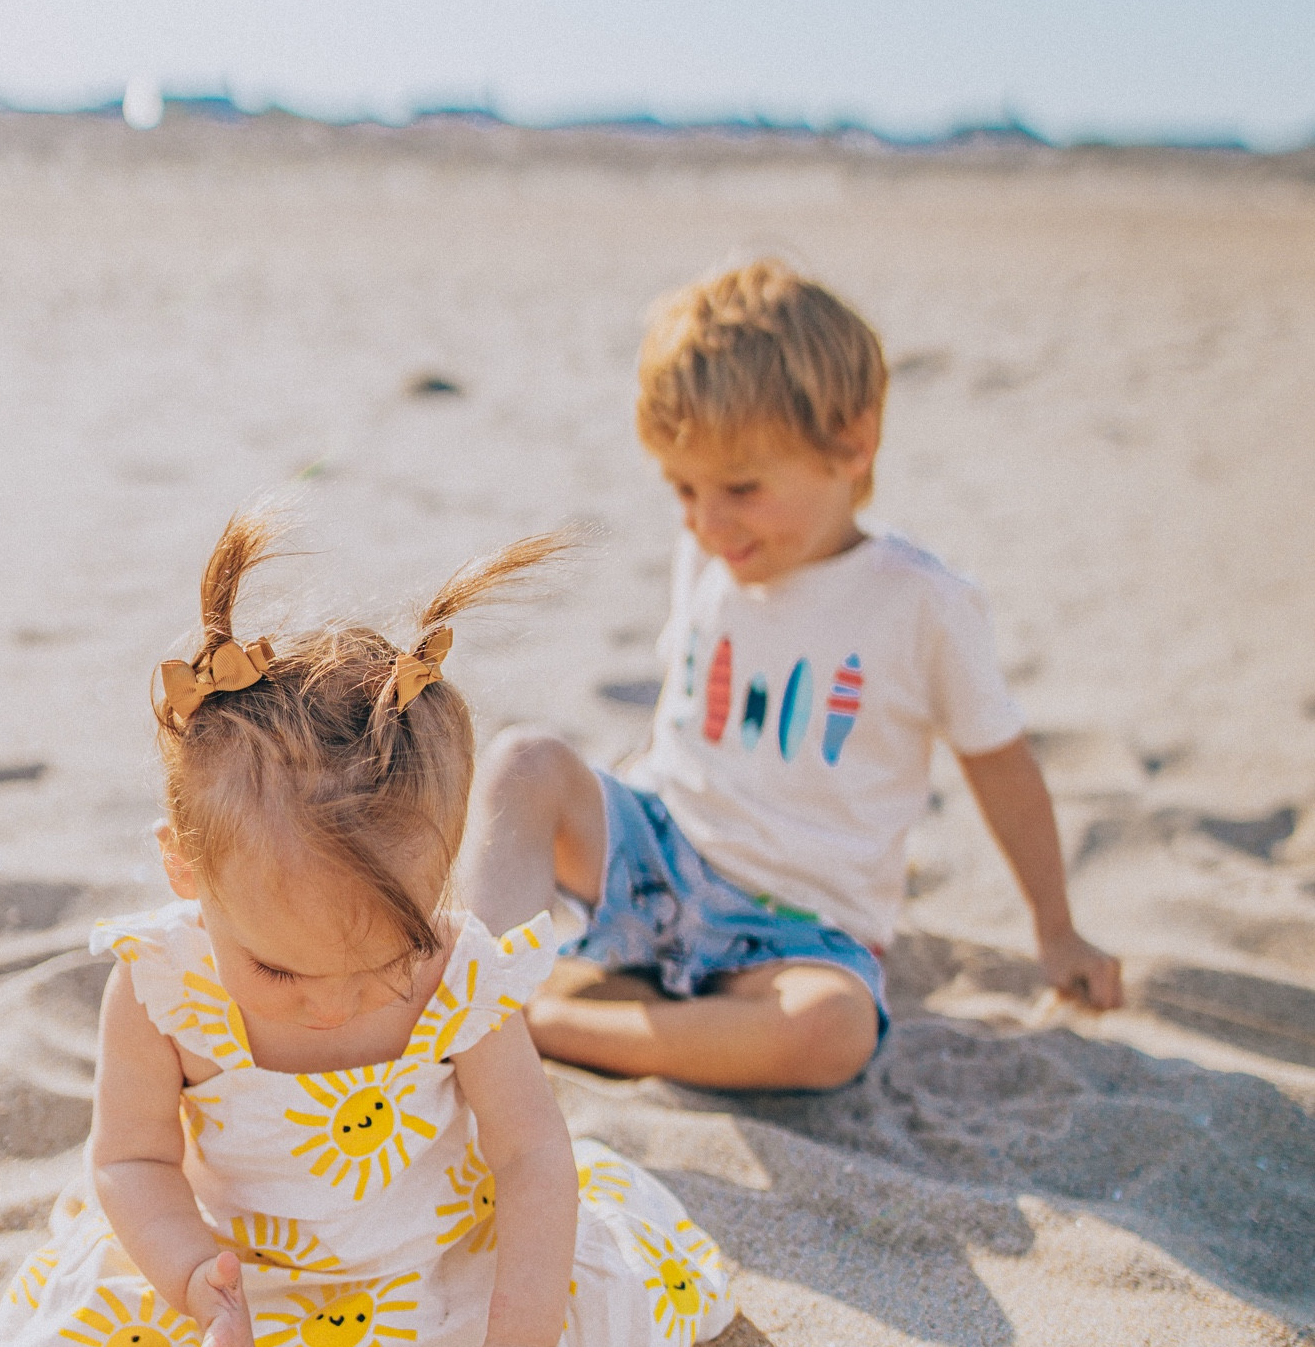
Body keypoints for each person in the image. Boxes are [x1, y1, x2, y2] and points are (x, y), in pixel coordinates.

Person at [0, 517, 732, 1347]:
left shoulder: (460, 978)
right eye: (282, 971)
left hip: (424, 1269)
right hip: (224, 1271)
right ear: (185, 872)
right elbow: (130, 1163)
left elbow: (532, 1154)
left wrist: (523, 1341)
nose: (334, 1006)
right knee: (72, 1340)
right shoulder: (161, 987)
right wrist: (190, 1273)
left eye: (382, 962)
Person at [466, 260, 1123, 1092]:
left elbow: (1002, 767)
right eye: (683, 489)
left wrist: (1057, 931)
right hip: (657, 854)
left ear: (853, 443)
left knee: (833, 1033)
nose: (708, 523)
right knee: (526, 763)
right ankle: (482, 992)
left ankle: (545, 1024)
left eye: (741, 488)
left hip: (800, 929)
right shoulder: (709, 556)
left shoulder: (922, 603)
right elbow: (681, 716)